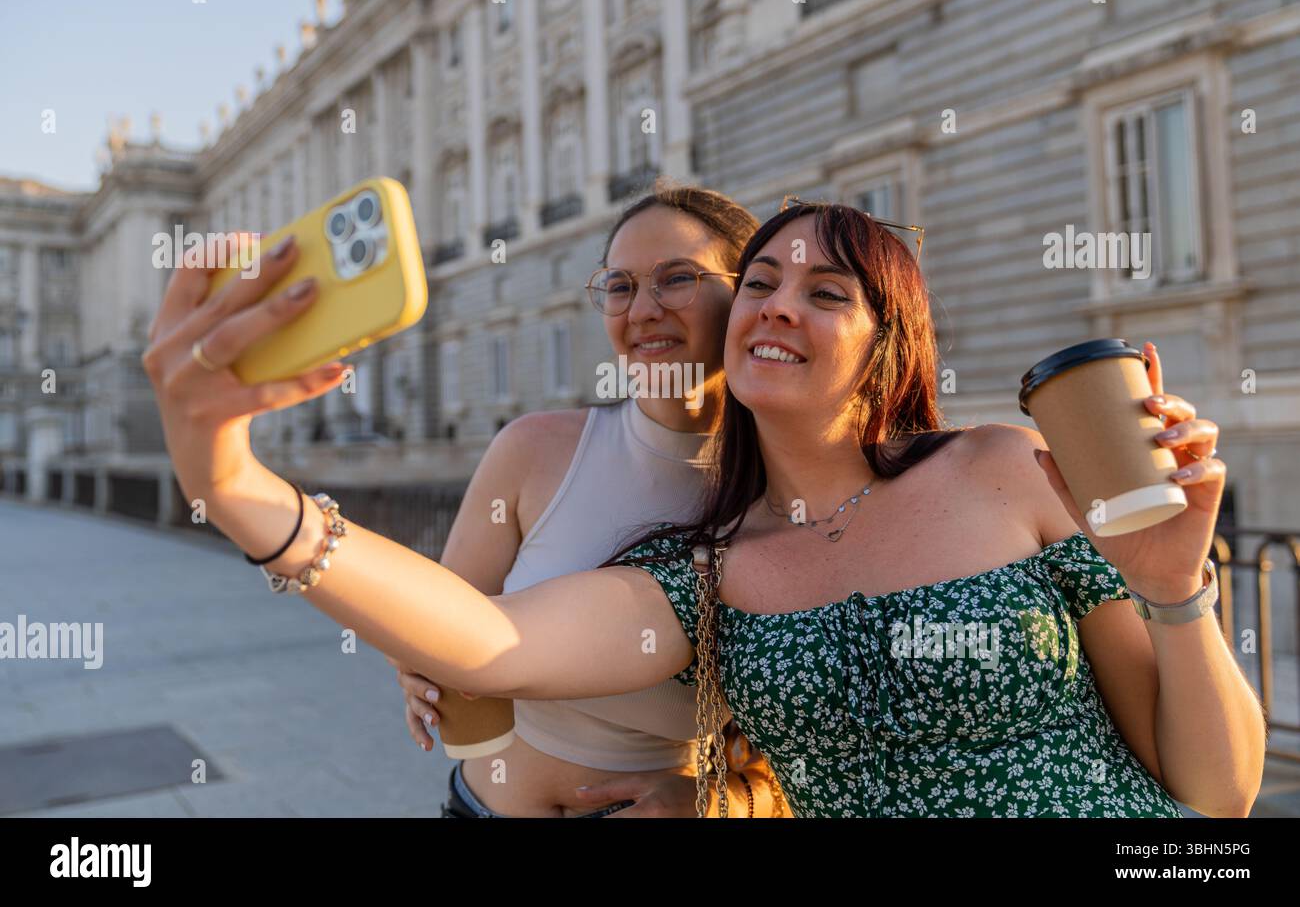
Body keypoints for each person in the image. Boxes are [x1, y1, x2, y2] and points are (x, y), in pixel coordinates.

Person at [143, 200, 1265, 817]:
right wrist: (233, 483)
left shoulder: (1005, 466)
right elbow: (485, 635)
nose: (778, 302)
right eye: (763, 279)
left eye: (827, 291)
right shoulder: (706, 566)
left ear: (889, 344)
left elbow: (1215, 796)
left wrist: (1178, 589)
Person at [385, 184, 784, 817]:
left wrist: (726, 804)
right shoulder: (532, 448)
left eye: (677, 278)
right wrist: (420, 665)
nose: (643, 310)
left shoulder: (790, 493)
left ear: (748, 295)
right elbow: (444, 620)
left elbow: (824, 753)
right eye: (621, 286)